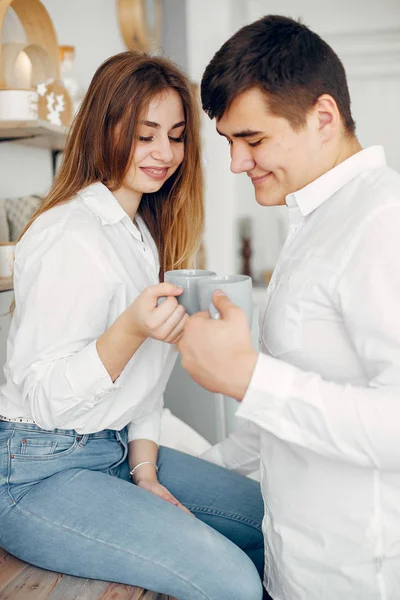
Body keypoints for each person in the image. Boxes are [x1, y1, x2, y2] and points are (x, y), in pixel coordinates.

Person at [0, 51, 266, 600]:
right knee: (231, 583)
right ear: (105, 128)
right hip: (34, 472)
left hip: (118, 451)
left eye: (175, 135)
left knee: (268, 519)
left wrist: (145, 471)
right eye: (146, 135)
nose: (164, 154)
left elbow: (143, 387)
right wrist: (129, 329)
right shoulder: (65, 233)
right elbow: (46, 400)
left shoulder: (141, 232)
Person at [178, 14, 400, 600]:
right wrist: (209, 468)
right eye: (229, 142)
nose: (236, 163)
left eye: (252, 140)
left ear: (323, 117)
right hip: (294, 565)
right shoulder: (314, 222)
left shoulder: (382, 223)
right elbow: (290, 403)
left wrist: (248, 377)